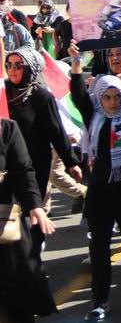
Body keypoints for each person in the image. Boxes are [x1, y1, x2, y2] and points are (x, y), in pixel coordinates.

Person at [69, 41, 121, 322]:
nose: (114, 102)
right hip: (100, 193)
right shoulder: (93, 116)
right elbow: (78, 91)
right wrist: (76, 62)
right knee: (99, 246)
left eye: (117, 96)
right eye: (107, 97)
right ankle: (100, 300)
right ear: (98, 98)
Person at [5, 46, 80, 263]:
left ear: (30, 68)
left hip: (33, 165)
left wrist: (70, 161)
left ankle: (33, 259)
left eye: (18, 65)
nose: (12, 70)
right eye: (9, 65)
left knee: (31, 209)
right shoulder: (3, 93)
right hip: (5, 165)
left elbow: (56, 131)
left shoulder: (41, 97)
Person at [0, 118, 58, 323]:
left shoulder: (7, 129)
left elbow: (24, 170)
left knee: (15, 295)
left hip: (5, 223)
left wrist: (35, 206)